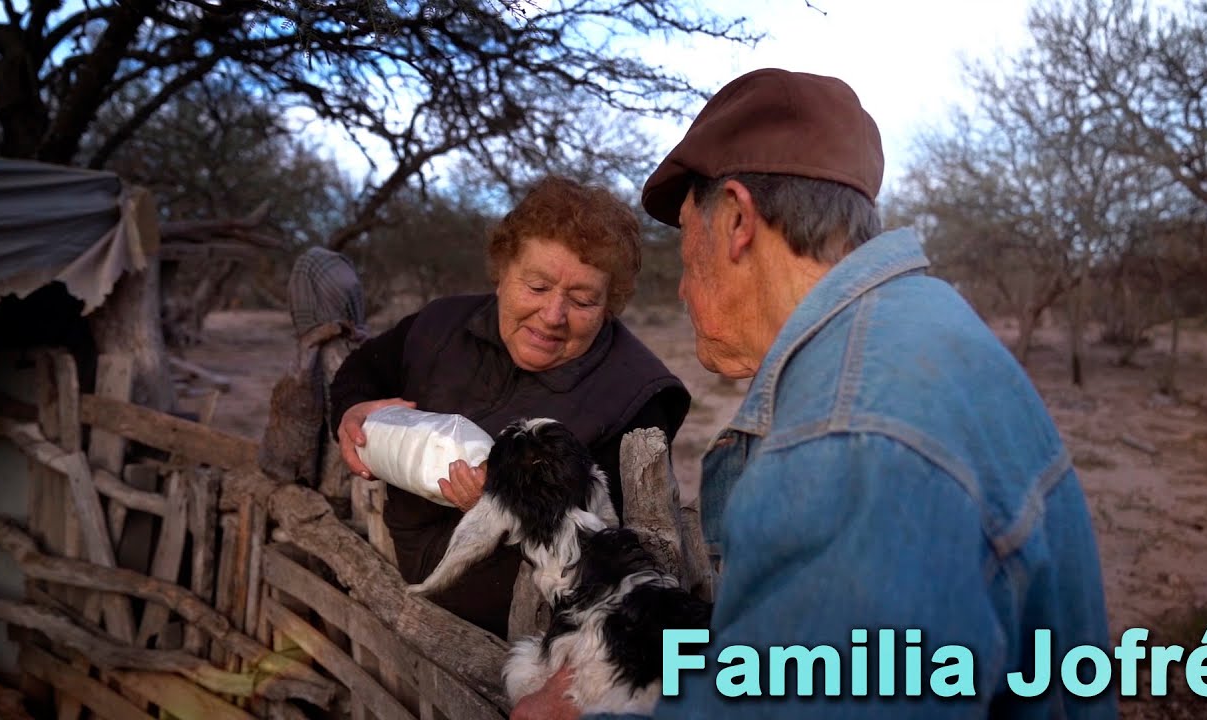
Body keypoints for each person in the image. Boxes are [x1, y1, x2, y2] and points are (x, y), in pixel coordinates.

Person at [512, 69, 1115, 718]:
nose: (684, 289)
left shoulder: (850, 437)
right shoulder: (926, 324)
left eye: (688, 251)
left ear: (738, 220)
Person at [329, 175, 691, 639]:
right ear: (502, 272)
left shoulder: (637, 397)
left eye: (582, 300)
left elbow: (610, 549)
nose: (553, 316)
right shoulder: (441, 324)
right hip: (392, 576)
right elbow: (362, 367)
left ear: (609, 304)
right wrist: (354, 408)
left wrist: (513, 513)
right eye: (537, 287)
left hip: (521, 635)